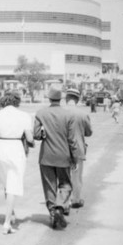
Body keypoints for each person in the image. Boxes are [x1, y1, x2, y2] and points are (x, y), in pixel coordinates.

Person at [33, 86, 81, 230]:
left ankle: (53, 211)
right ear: (61, 99)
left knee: (49, 185)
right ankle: (60, 206)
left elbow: (36, 135)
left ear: (49, 98)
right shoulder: (68, 115)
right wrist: (75, 158)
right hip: (64, 156)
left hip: (46, 156)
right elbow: (72, 140)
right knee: (65, 184)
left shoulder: (41, 113)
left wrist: (43, 135)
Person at [0, 90, 34, 235]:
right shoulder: (24, 116)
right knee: (13, 185)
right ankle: (7, 222)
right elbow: (29, 138)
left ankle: (11, 213)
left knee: (6, 183)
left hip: (1, 148)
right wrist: (33, 141)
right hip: (16, 148)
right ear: (17, 101)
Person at [65, 88, 93, 209]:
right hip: (78, 149)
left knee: (63, 176)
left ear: (66, 99)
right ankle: (76, 199)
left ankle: (64, 201)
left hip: (62, 148)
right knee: (76, 176)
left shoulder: (60, 112)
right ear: (77, 99)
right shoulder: (83, 114)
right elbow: (89, 132)